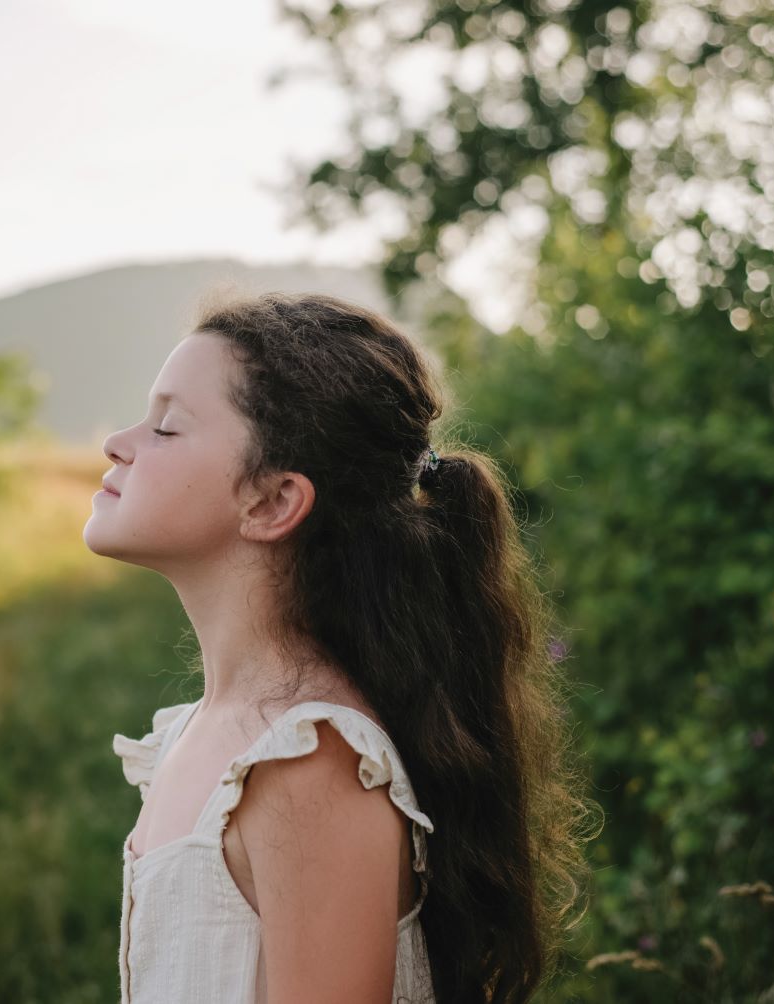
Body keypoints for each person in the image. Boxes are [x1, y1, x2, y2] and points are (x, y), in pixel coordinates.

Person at [83, 290, 592, 1003]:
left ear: (272, 502)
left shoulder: (306, 761)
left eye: (167, 427)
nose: (119, 443)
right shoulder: (206, 729)